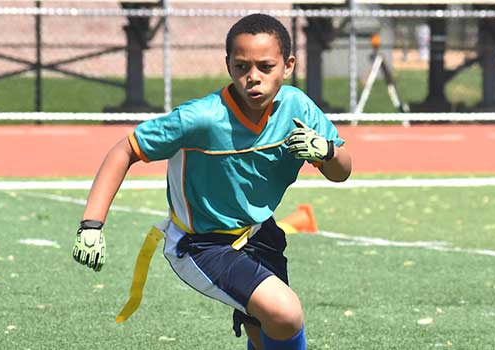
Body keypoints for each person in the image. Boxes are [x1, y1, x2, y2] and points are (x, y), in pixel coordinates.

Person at [71, 13, 352, 350]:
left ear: (288, 66)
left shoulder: (298, 108)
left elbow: (342, 172)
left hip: (259, 234)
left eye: (266, 67)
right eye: (242, 67)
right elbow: (125, 150)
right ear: (228, 65)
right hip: (200, 244)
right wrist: (91, 224)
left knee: (266, 332)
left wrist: (327, 152)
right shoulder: (201, 118)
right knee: (285, 312)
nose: (253, 78)